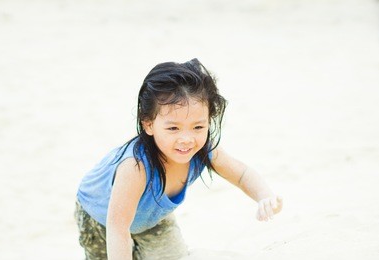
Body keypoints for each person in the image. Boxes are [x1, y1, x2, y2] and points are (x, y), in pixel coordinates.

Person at [74, 58, 283, 260]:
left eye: (198, 127)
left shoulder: (203, 151)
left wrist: (264, 196)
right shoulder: (135, 167)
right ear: (148, 124)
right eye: (173, 128)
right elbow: (118, 228)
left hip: (153, 218)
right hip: (102, 220)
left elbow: (242, 174)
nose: (187, 139)